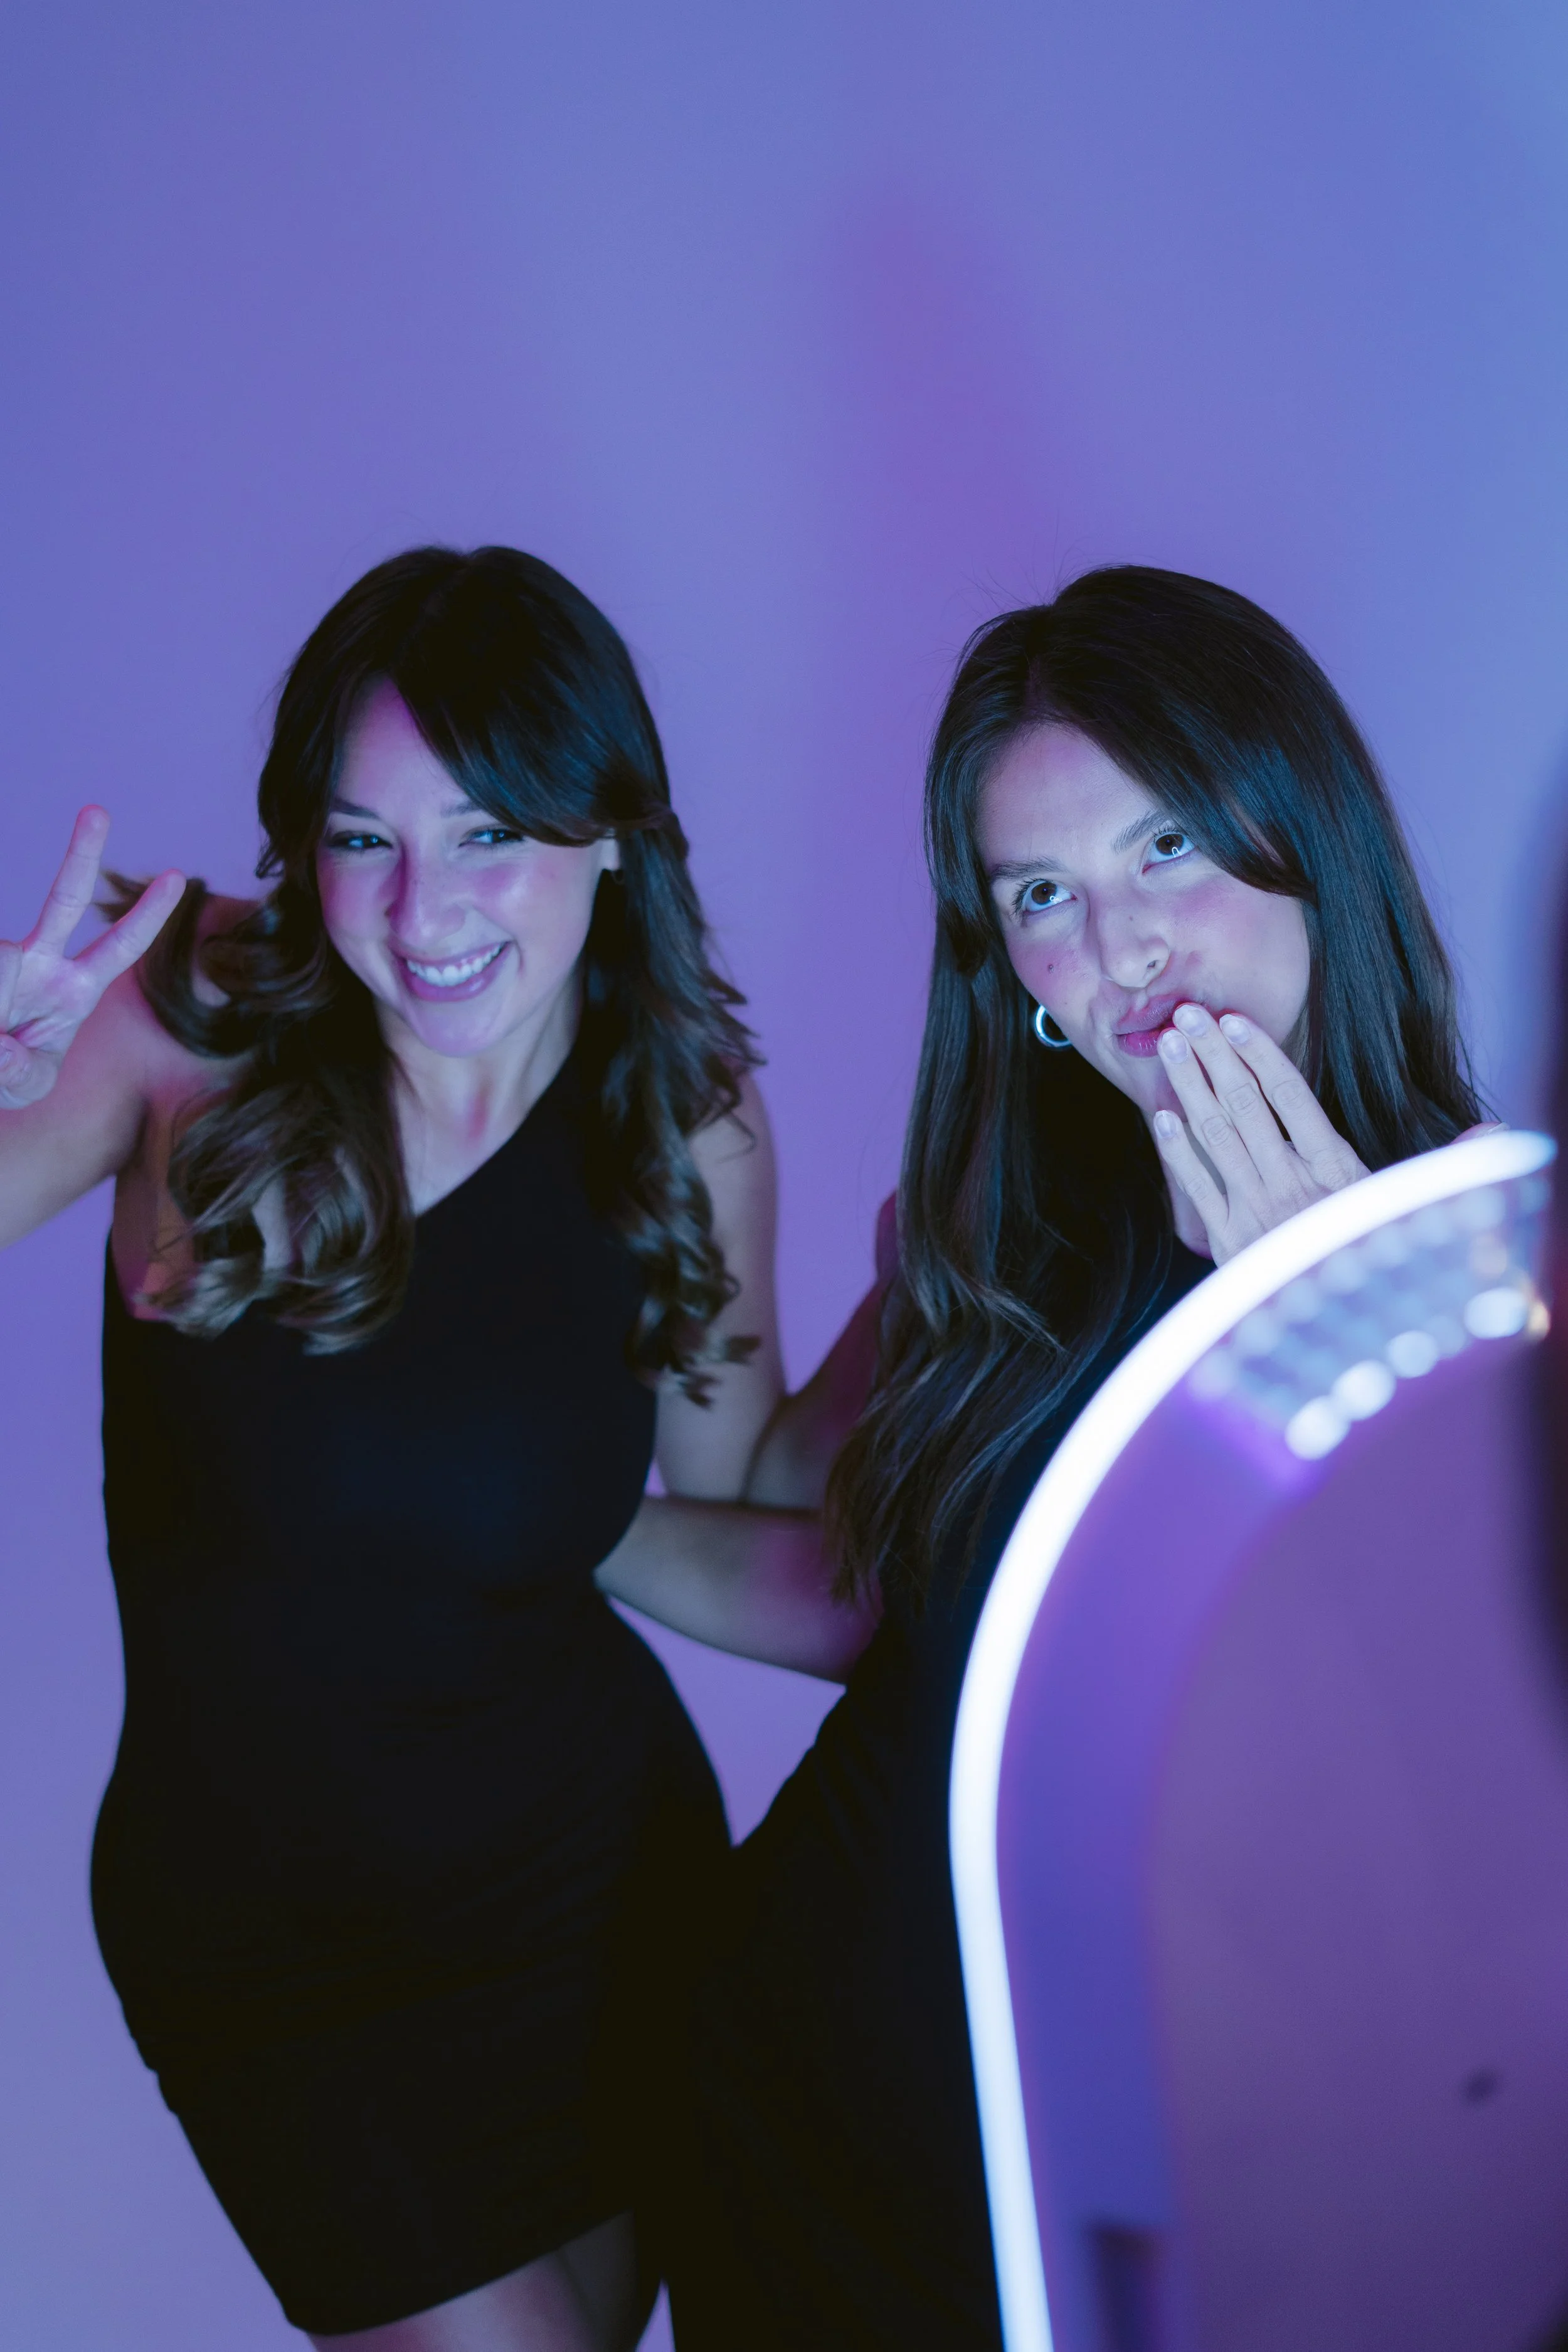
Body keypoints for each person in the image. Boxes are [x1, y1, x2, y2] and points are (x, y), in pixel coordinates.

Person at [0, 544, 871, 2352]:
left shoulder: (679, 1121)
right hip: (265, 1943)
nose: (423, 908)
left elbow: (736, 1504)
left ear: (610, 832)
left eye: (490, 833)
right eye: (364, 837)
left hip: (591, 1892)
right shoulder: (196, 1011)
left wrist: (949, 1279)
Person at [657, 565, 1486, 2351]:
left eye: (1165, 847)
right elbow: (863, 1580)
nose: (1115, 950)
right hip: (796, 2114)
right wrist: (560, 1528)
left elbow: (1460, 1834)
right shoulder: (987, 1215)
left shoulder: (1495, 1272)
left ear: (1300, 825)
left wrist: (1333, 1317)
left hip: (1121, 2217)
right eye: (1044, 892)